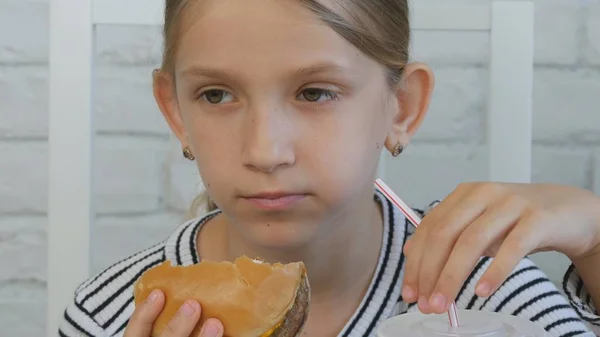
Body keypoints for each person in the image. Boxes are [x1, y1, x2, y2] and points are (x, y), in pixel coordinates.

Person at [57, 0, 600, 336]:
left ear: (401, 107)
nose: (265, 151)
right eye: (216, 94)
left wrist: (595, 239)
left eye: (315, 92)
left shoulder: (484, 290)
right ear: (175, 110)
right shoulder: (113, 316)